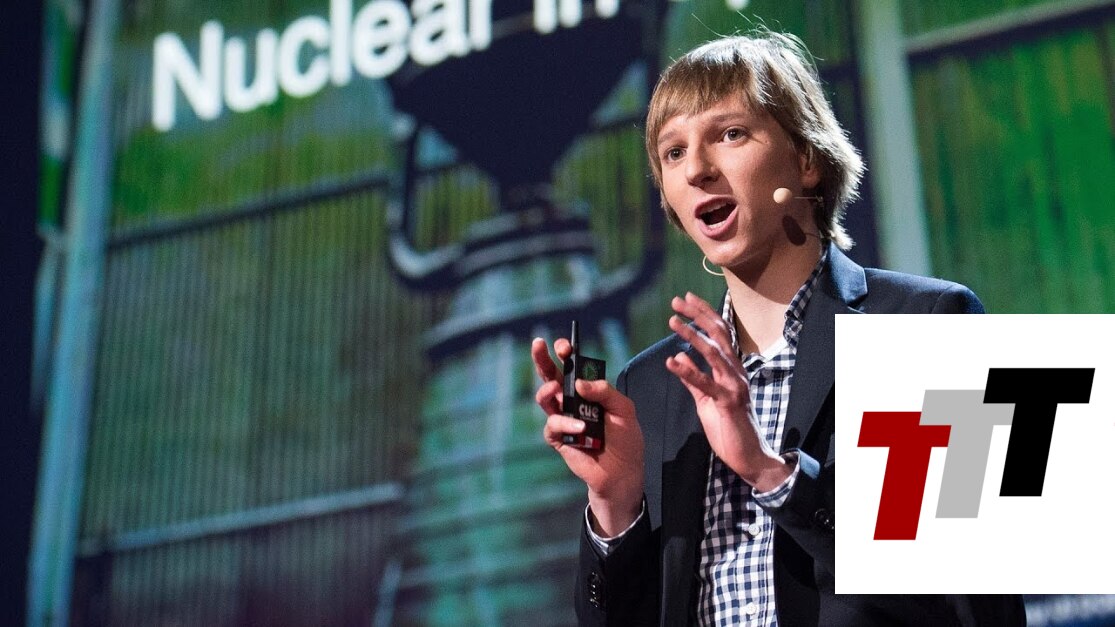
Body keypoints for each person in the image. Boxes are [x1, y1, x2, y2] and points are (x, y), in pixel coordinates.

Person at [530, 29, 1027, 626]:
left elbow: (978, 605)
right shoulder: (652, 386)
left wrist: (772, 472)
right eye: (674, 152)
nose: (698, 169)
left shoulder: (926, 325)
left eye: (729, 134)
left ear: (807, 160)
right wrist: (615, 505)